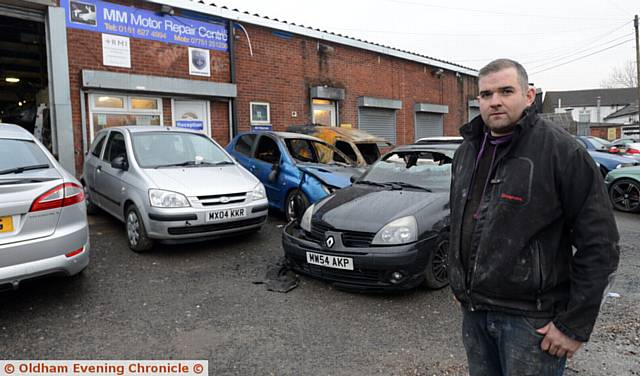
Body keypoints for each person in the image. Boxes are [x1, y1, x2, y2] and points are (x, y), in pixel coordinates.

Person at [448, 59, 620, 375]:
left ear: (529, 96)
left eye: (506, 91)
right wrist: (461, 286)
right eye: (486, 94)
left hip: (532, 322)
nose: (495, 101)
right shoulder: (467, 152)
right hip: (475, 313)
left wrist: (573, 325)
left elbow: (601, 245)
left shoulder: (563, 152)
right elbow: (458, 222)